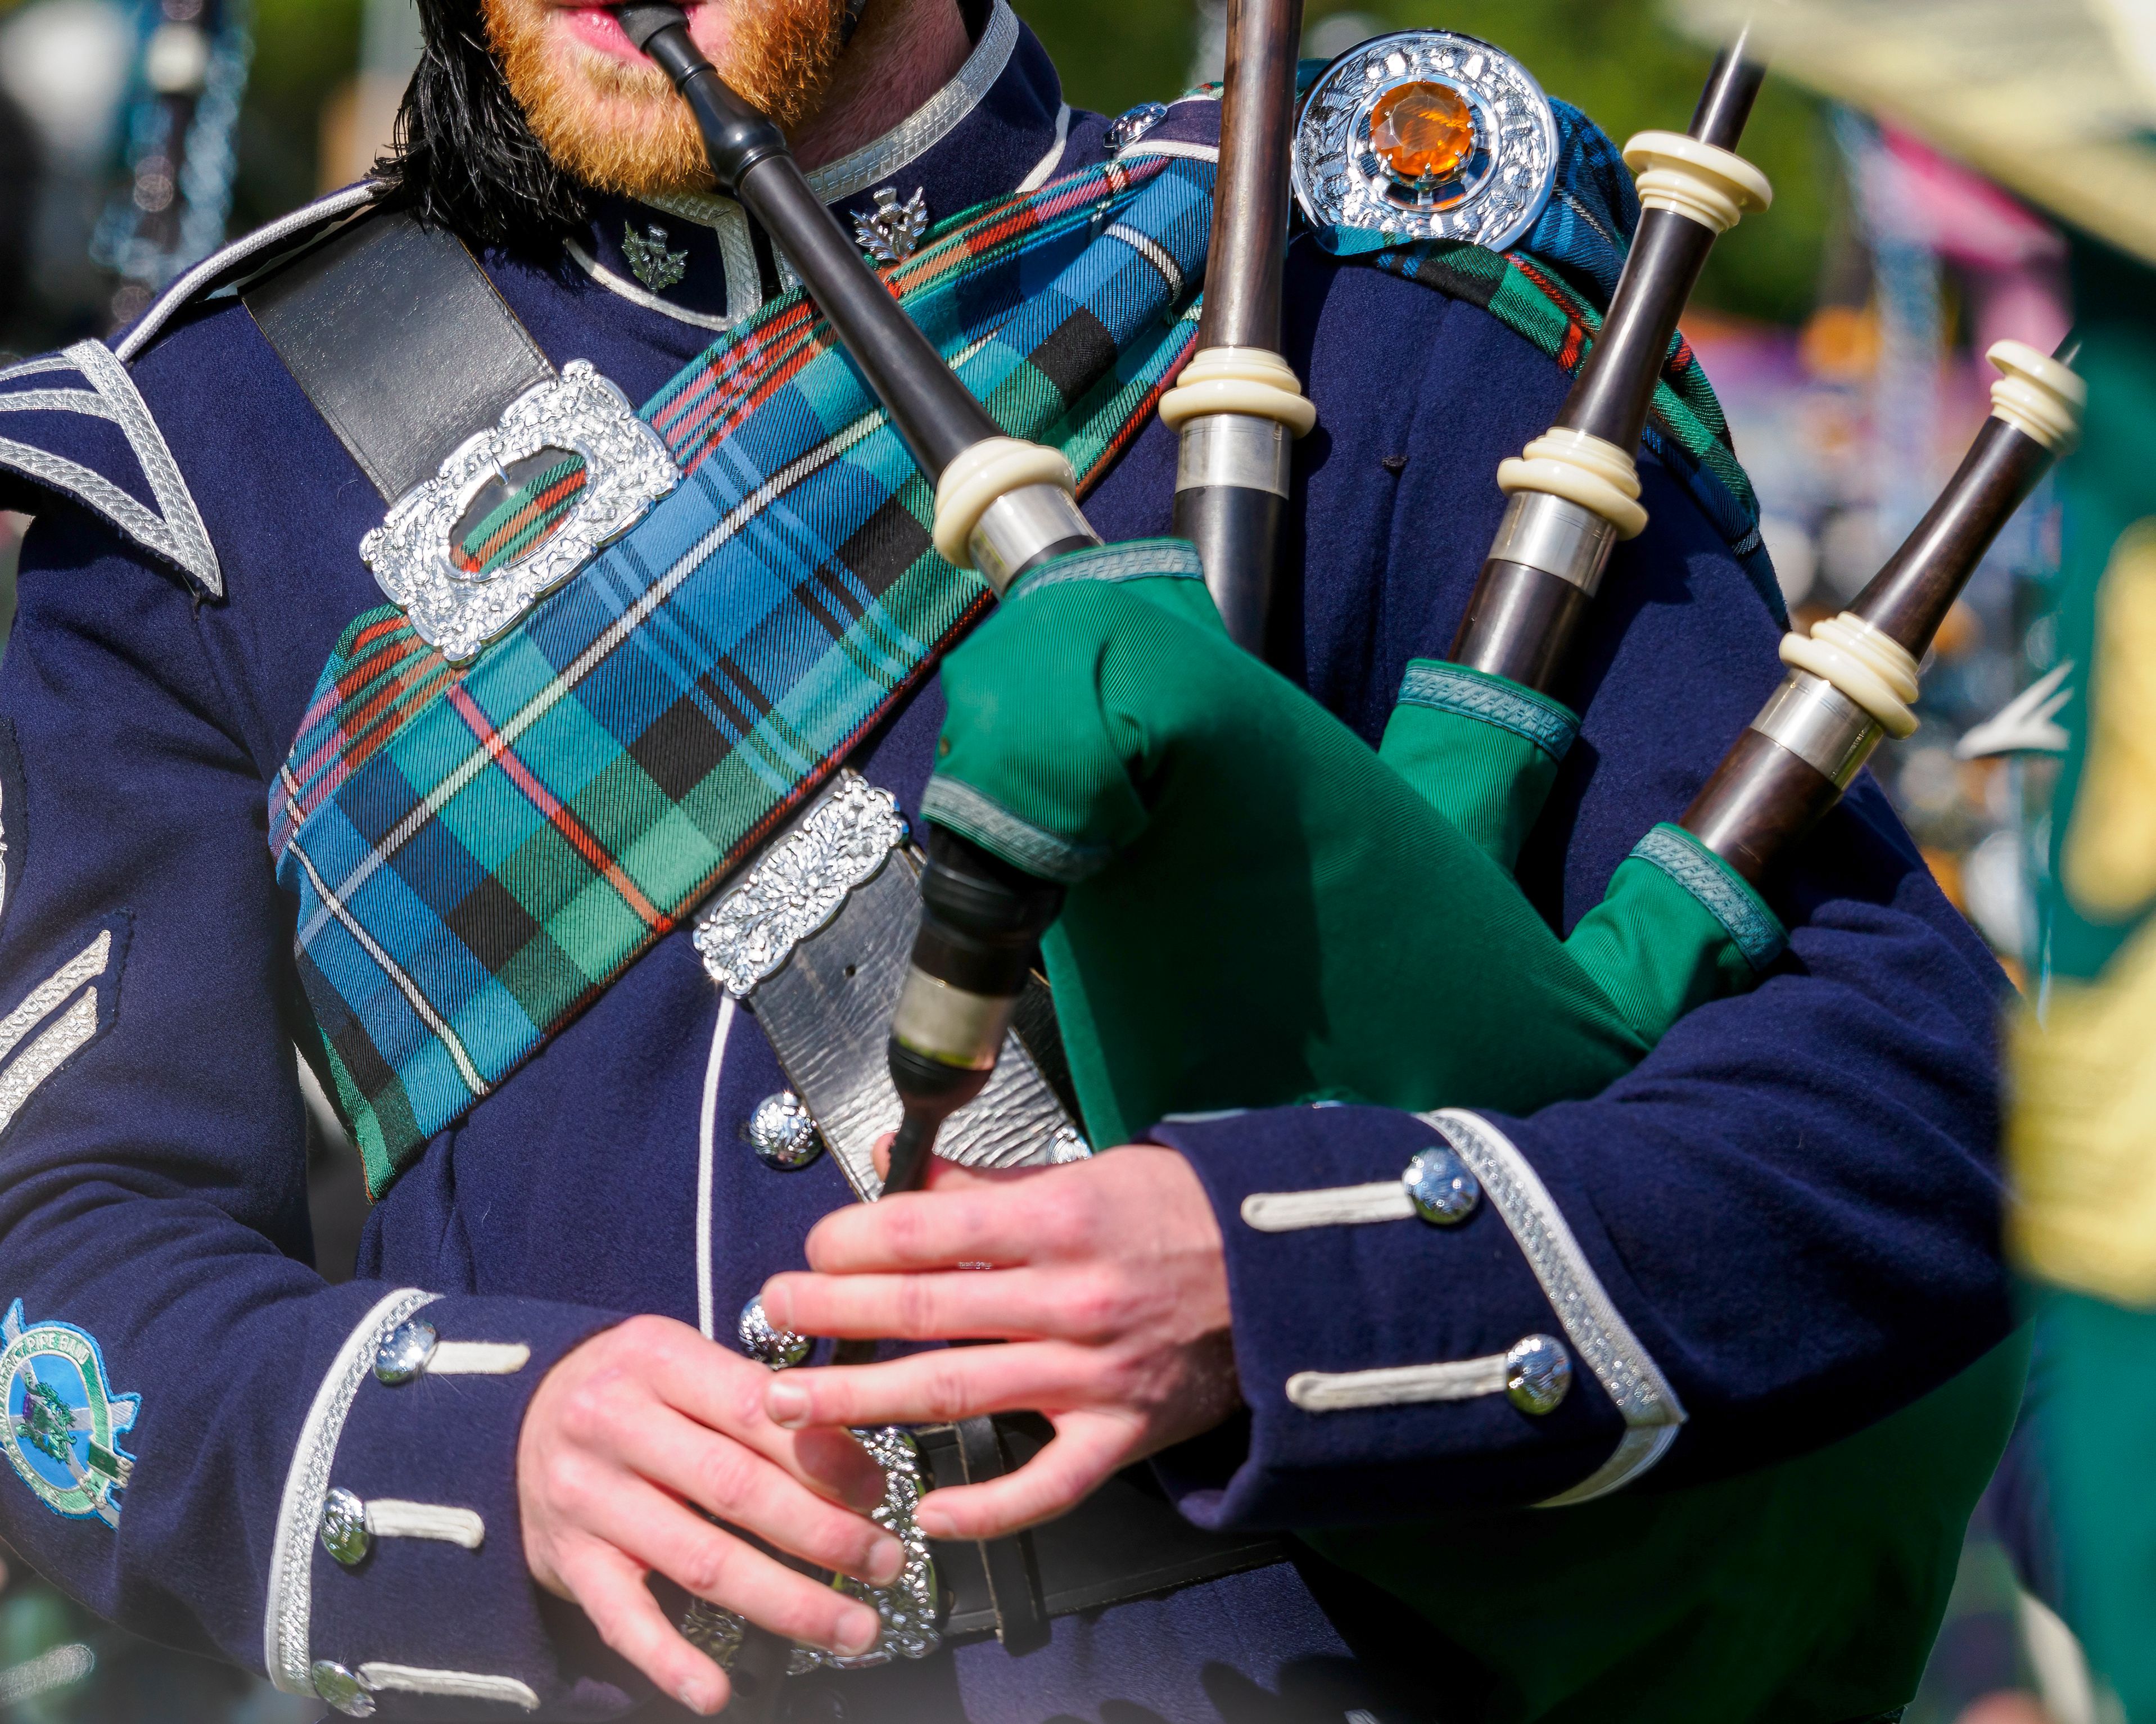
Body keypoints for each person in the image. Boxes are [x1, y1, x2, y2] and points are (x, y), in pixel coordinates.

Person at [0, 0, 2013, 1719]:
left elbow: (1915, 1108)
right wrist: (473, 1450)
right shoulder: (210, 467)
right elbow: (60, 1278)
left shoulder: (1361, 291)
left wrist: (1273, 1270)